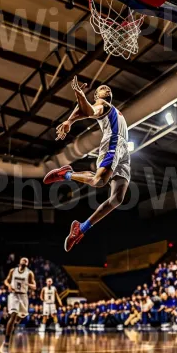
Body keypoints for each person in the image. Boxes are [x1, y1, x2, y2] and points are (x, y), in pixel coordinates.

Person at [43, 77, 131, 252]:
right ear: (97, 96)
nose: (106, 88)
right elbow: (90, 110)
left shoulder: (109, 108)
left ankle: (80, 229)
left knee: (118, 199)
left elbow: (84, 111)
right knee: (99, 181)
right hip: (114, 142)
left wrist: (69, 121)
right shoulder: (103, 105)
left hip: (124, 152)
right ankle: (66, 174)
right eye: (101, 88)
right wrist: (80, 95)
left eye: (108, 88)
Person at [0, 258, 36, 353]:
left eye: (26, 260)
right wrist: (8, 286)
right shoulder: (13, 271)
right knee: (14, 314)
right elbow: (6, 281)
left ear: (27, 263)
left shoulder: (29, 273)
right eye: (23, 259)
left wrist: (28, 284)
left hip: (23, 296)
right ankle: (6, 342)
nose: (24, 261)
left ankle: (12, 327)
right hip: (14, 295)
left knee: (20, 317)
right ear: (19, 261)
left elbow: (34, 286)